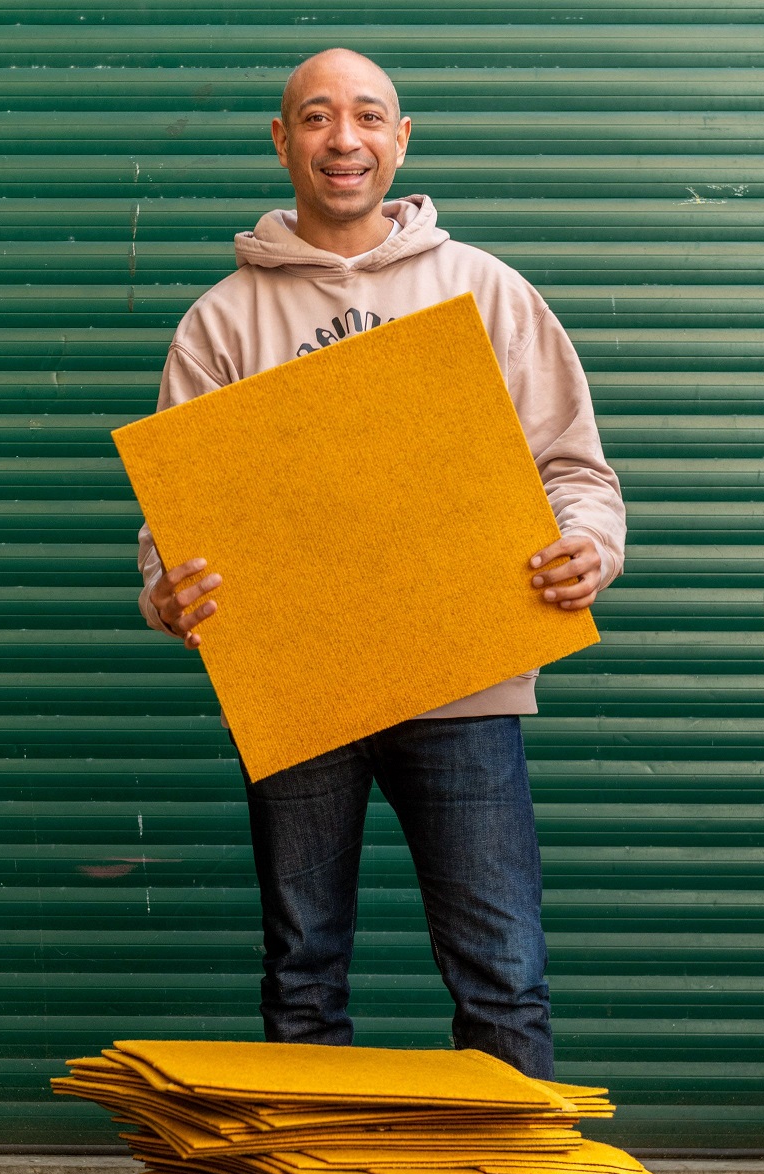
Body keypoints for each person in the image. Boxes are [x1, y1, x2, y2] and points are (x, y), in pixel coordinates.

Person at [136, 49, 625, 1080]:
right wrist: (169, 593)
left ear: (401, 140)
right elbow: (173, 526)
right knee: (303, 974)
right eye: (315, 118)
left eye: (367, 116)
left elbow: (576, 471)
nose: (342, 138)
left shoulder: (483, 292)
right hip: (300, 690)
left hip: (468, 678)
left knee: (502, 972)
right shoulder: (221, 323)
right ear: (282, 142)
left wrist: (589, 547)